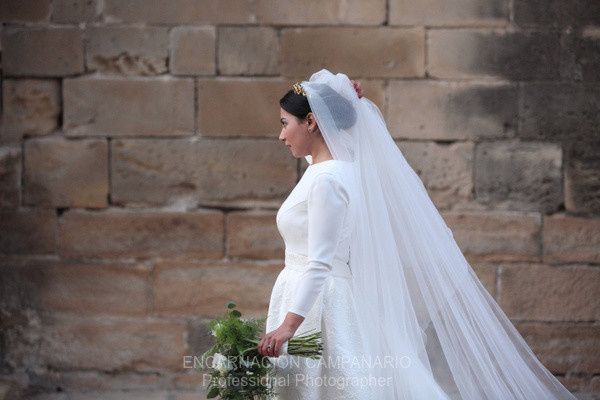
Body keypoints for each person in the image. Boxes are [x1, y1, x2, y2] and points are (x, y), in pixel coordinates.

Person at [258, 69, 578, 400]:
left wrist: (288, 327)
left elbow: (320, 263)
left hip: (317, 305)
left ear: (310, 122)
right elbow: (321, 152)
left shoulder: (326, 180)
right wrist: (342, 101)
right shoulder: (339, 170)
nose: (281, 135)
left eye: (285, 123)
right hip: (317, 297)